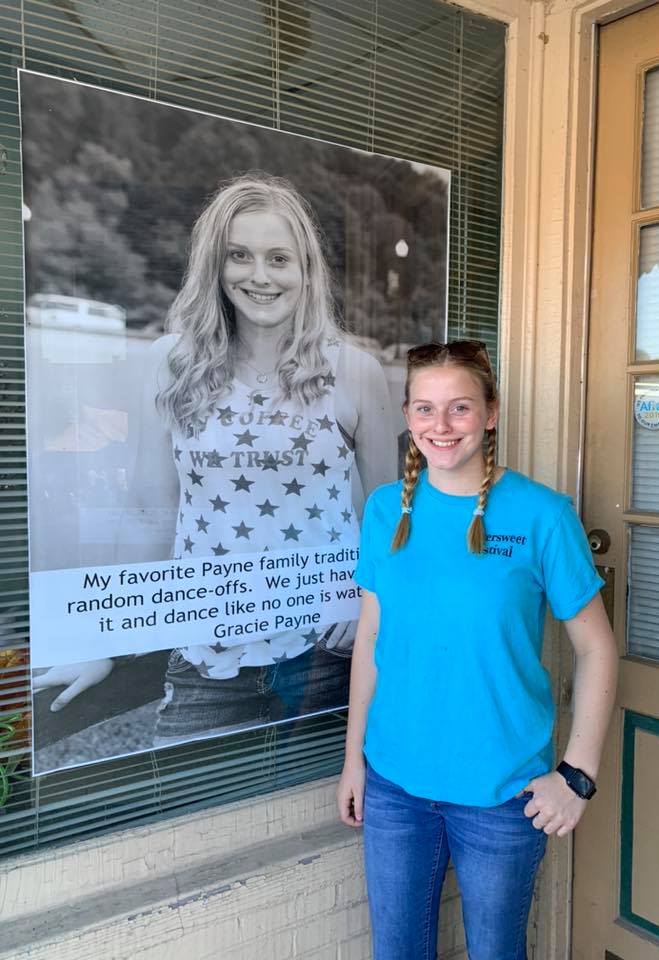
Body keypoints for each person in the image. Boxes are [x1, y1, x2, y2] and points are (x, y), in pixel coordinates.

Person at [34, 173, 397, 747]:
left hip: (328, 654)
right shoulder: (170, 363)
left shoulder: (353, 371)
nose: (260, 275)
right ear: (215, 265)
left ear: (306, 270)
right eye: (240, 256)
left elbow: (393, 515)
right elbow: (146, 509)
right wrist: (102, 640)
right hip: (206, 655)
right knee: (177, 803)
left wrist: (363, 607)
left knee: (332, 812)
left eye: (279, 258)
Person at [336, 340, 618, 960]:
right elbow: (372, 642)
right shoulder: (387, 509)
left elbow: (597, 649)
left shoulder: (543, 515)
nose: (441, 426)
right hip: (394, 786)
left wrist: (577, 775)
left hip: (503, 794)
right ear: (408, 416)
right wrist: (355, 760)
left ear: (491, 413)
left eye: (459, 408)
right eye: (425, 408)